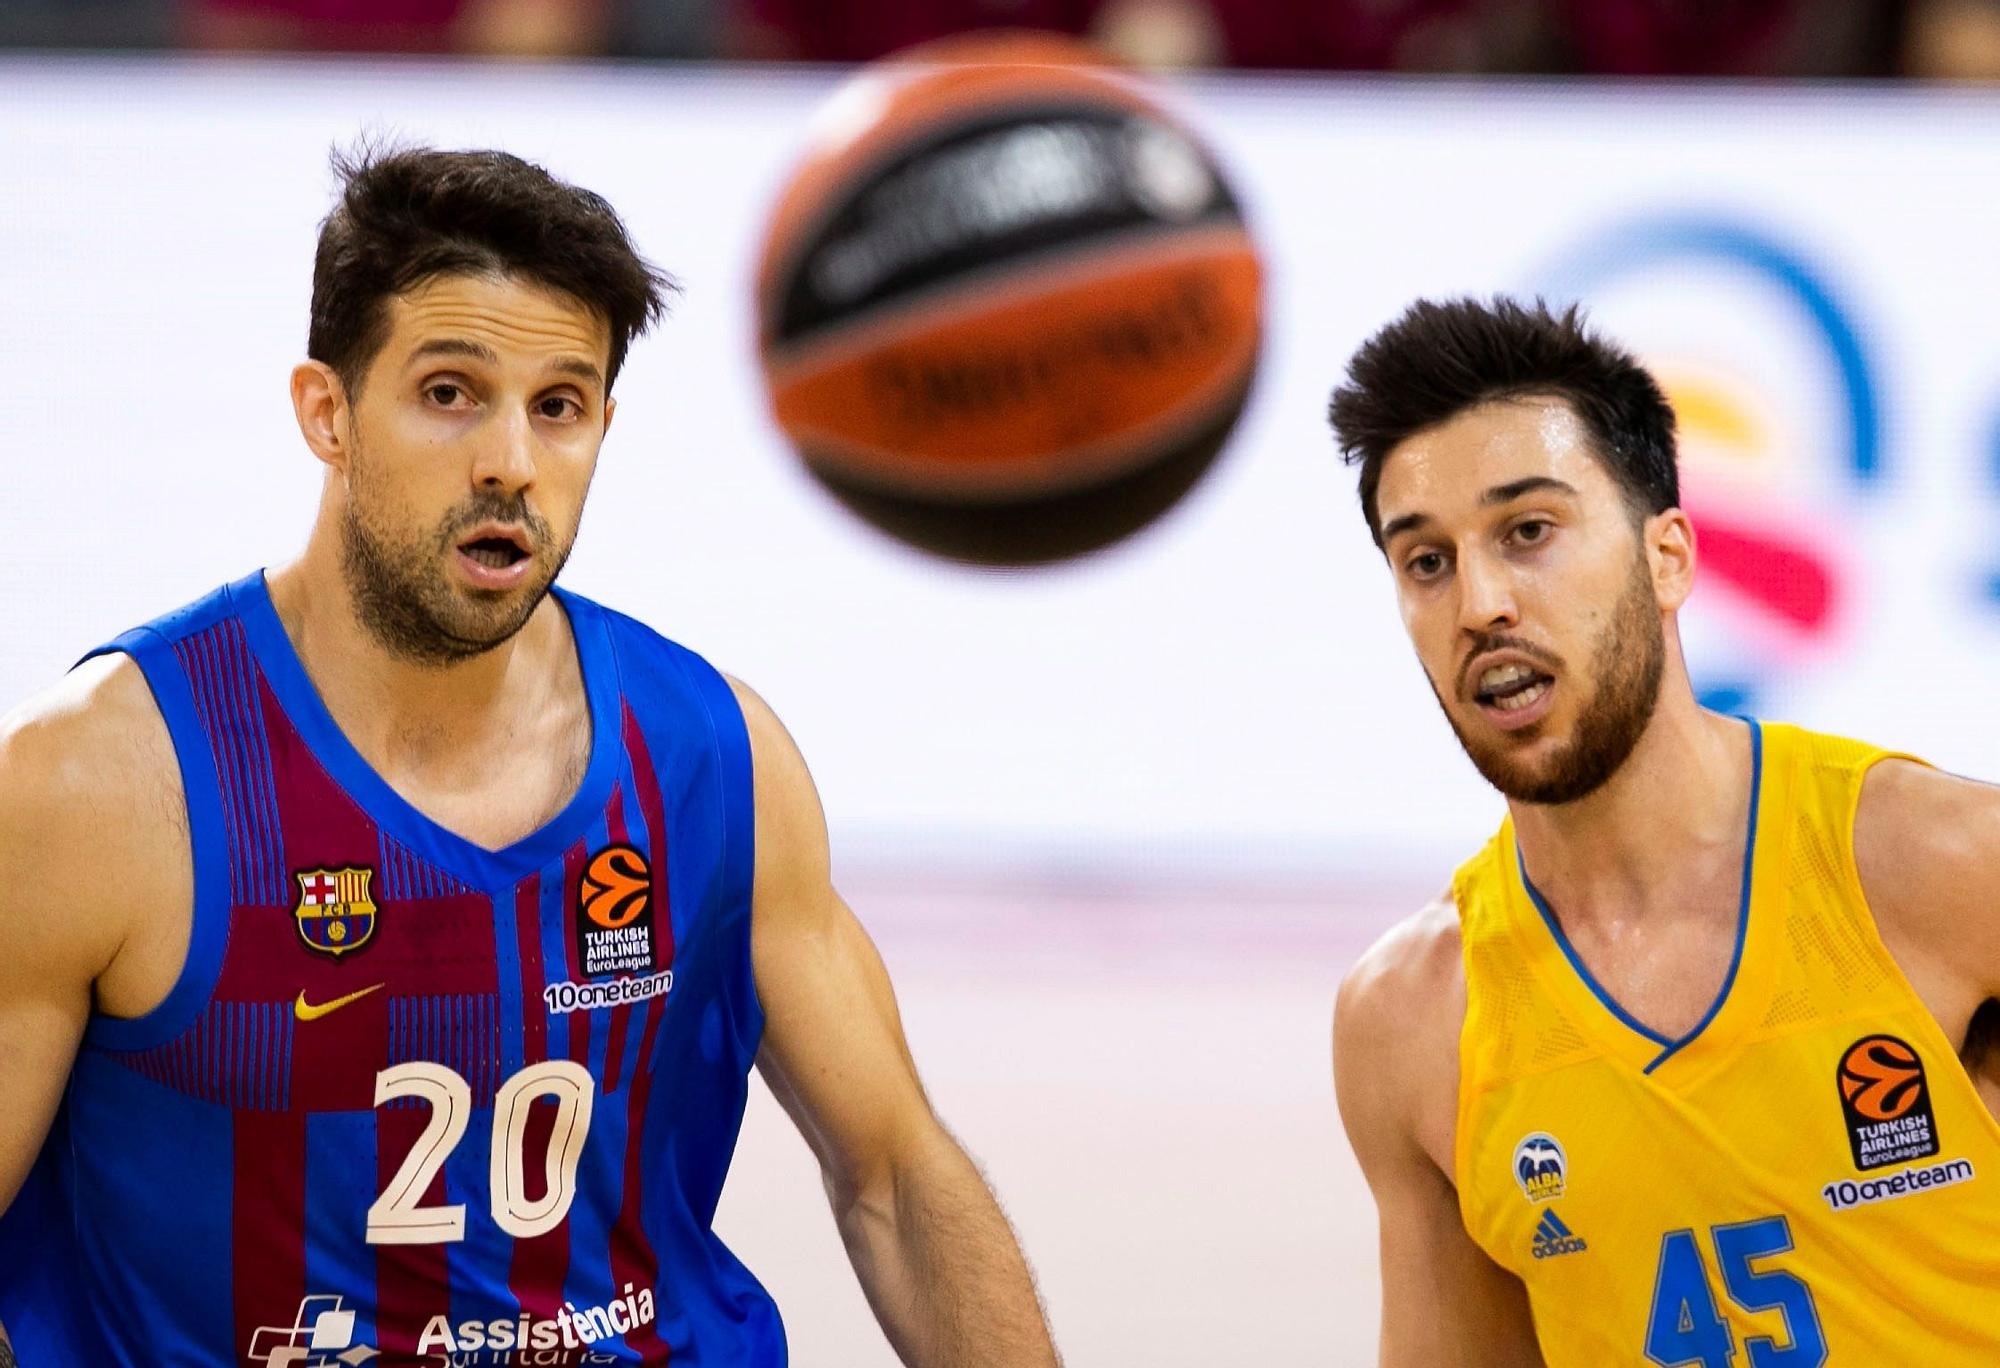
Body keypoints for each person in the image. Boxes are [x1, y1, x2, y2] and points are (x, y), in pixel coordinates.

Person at [0, 145, 1060, 1367]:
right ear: (326, 412)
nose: (510, 460)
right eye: (450, 392)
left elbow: (892, 1170)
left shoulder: (713, 759)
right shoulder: (97, 785)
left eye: (557, 406)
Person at [1325, 297, 2000, 1366]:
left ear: (1668, 558)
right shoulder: (1409, 1023)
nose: (1479, 602)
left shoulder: (1942, 867)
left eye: (1527, 532)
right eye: (1425, 561)